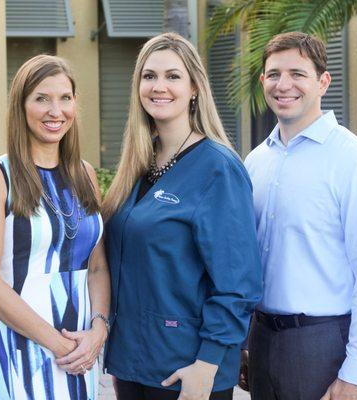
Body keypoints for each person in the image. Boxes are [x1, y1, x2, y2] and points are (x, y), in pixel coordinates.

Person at [100, 32, 262, 400]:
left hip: (187, 369)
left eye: (173, 76)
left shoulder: (218, 168)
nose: (159, 87)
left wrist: (207, 365)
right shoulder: (137, 167)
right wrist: (124, 357)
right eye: (149, 76)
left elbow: (238, 283)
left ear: (194, 88)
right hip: (134, 365)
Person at [242, 31, 357, 400]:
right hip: (262, 340)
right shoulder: (254, 162)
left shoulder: (356, 163)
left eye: (298, 74)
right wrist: (243, 342)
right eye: (274, 74)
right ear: (263, 81)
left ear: (323, 82)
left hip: (324, 346)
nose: (284, 85)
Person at [0, 55, 110, 400]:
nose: (55, 110)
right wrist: (57, 343)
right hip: (24, 344)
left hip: (81, 345)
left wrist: (98, 330)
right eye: (41, 98)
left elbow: (98, 266)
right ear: (21, 105)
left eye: (65, 98)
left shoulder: (85, 174)